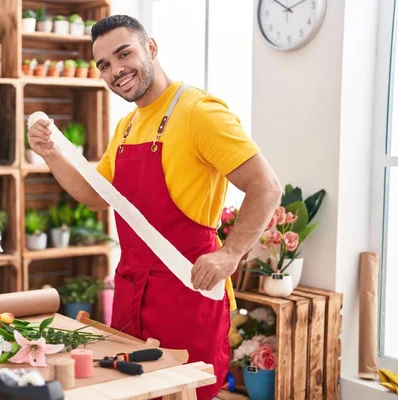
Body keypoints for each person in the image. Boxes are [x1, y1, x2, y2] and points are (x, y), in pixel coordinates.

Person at [27, 15, 282, 399]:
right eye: (104, 65)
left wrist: (230, 254)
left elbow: (266, 186)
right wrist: (52, 155)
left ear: (151, 47)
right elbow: (99, 195)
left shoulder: (199, 112)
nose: (116, 71)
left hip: (188, 291)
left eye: (123, 53)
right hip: (133, 293)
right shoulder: (127, 126)